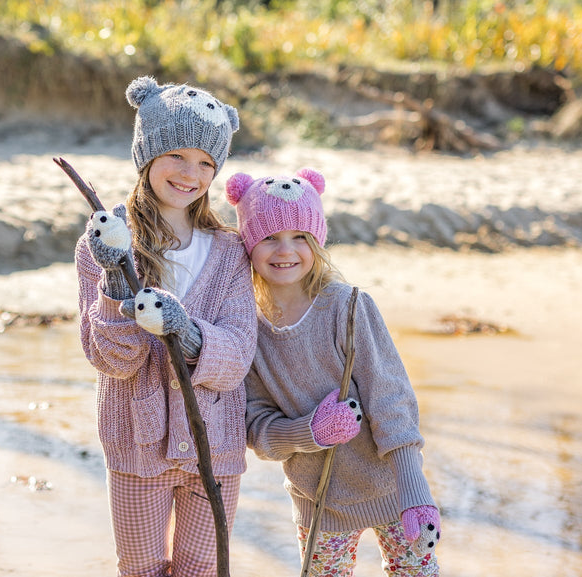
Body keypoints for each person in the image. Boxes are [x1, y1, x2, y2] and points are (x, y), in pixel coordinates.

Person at [75, 76, 257, 577]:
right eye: (176, 154)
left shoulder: (229, 251)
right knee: (140, 568)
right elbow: (113, 359)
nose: (190, 173)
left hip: (213, 447)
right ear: (147, 155)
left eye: (205, 162)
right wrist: (115, 277)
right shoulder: (107, 242)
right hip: (137, 443)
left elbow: (238, 355)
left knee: (200, 570)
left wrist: (187, 331)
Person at [226, 168, 441, 576]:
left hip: (390, 488)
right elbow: (256, 429)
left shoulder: (348, 307)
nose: (284, 250)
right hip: (317, 498)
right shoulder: (246, 327)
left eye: (299, 238)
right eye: (269, 237)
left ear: (317, 242)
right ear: (249, 245)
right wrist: (310, 432)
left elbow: (390, 400)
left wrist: (416, 493)